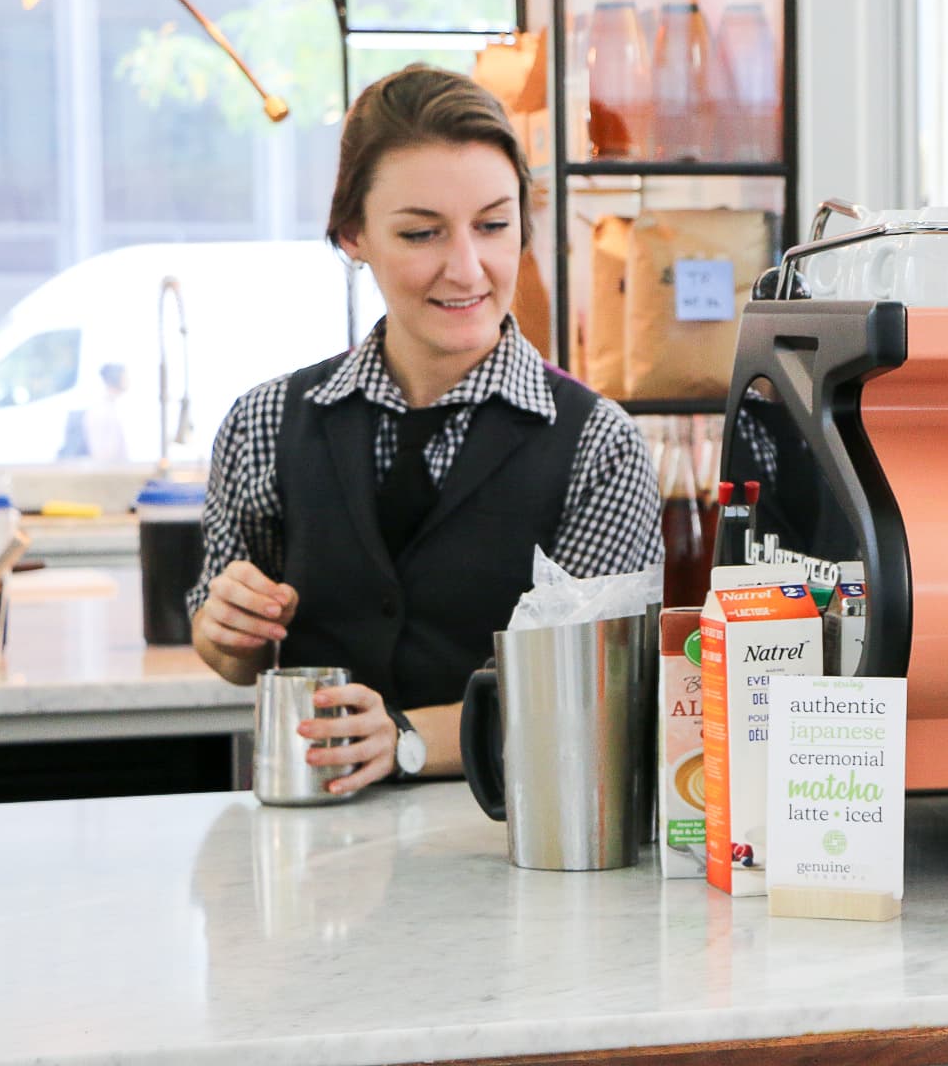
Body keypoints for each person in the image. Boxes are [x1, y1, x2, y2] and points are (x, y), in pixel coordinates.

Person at [189, 65, 662, 797]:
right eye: (421, 233)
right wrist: (225, 629)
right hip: (309, 848)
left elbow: (593, 693)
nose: (467, 268)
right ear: (353, 234)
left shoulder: (598, 447)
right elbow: (229, 654)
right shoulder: (264, 422)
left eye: (494, 226)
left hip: (520, 840)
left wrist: (405, 738)